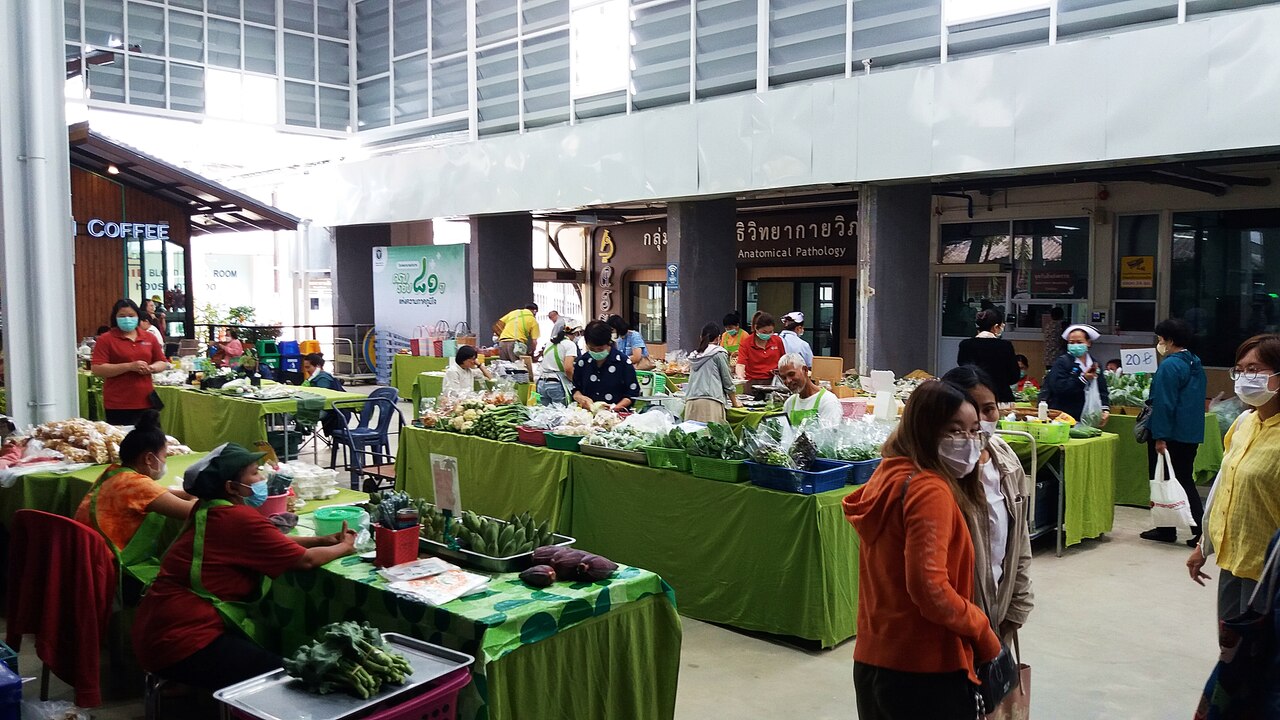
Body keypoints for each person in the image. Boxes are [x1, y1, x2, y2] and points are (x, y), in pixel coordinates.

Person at [132, 443, 357, 690]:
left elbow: (268, 540)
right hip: (184, 643)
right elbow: (306, 561)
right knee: (290, 678)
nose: (261, 479)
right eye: (254, 474)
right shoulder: (238, 519)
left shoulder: (208, 509)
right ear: (231, 487)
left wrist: (321, 540)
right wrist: (345, 547)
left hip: (154, 631)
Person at [844, 380, 1000, 718]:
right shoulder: (929, 488)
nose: (968, 442)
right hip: (925, 670)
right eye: (954, 431)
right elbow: (930, 588)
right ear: (925, 430)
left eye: (974, 431)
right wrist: (981, 628)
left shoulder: (888, 474)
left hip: (876, 659)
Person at [1188, 334, 1280, 621]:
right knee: (1230, 649)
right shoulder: (1243, 423)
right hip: (1233, 558)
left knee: (1262, 657)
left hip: (1270, 572)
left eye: (1254, 369)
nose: (1243, 377)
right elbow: (1223, 490)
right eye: (1239, 370)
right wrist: (1204, 545)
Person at [940, 366, 1034, 646]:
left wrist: (1018, 604)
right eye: (970, 410)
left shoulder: (1005, 460)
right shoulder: (940, 469)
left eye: (989, 409)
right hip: (951, 624)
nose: (981, 420)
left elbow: (1020, 540)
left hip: (997, 611)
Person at [74, 410, 195, 584]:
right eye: (164, 456)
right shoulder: (138, 485)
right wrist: (204, 491)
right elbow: (192, 511)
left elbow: (163, 494)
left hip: (88, 558)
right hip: (110, 567)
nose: (165, 462)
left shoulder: (115, 473)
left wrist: (192, 491)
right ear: (149, 459)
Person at [1140, 319, 1207, 545]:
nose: (1159, 343)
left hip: (1170, 434)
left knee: (1168, 479)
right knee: (1182, 478)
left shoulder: (1170, 365)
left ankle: (1195, 531)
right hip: (1189, 432)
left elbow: (1164, 403)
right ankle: (1168, 528)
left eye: (1160, 339)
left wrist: (1160, 436)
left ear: (1169, 340)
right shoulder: (1194, 362)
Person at [91, 299, 169, 426]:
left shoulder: (149, 337)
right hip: (118, 403)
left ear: (138, 316)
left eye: (131, 315)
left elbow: (162, 361)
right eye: (122, 316)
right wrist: (129, 367)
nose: (127, 319)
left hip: (147, 401)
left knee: (152, 441)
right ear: (115, 317)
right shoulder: (106, 339)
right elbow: (97, 368)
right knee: (123, 441)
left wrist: (151, 368)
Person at [1044, 323, 1110, 426]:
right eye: (1071, 342)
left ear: (1088, 343)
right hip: (1065, 416)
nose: (1075, 346)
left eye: (1079, 342)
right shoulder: (1062, 362)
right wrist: (1083, 379)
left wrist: (1105, 408)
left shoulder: (1094, 364)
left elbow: (1102, 389)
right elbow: (1059, 388)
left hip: (1089, 416)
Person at [571, 320, 639, 411]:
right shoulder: (583, 362)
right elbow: (575, 389)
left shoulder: (622, 362)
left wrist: (614, 408)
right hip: (586, 416)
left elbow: (632, 392)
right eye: (591, 348)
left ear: (608, 343)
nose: (596, 352)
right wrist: (580, 398)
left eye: (600, 349)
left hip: (616, 416)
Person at [956, 309, 1019, 404]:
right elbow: (1014, 376)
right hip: (1001, 396)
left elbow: (964, 371)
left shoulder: (965, 345)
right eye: (1001, 325)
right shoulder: (1005, 346)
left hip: (973, 396)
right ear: (995, 327)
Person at [684, 323, 741, 423]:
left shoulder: (695, 355)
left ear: (701, 337)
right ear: (718, 338)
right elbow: (727, 381)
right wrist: (735, 402)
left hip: (691, 402)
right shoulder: (718, 353)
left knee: (692, 435)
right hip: (710, 403)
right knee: (710, 436)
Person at [779, 353, 841, 426]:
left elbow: (829, 435)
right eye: (783, 378)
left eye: (791, 374)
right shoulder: (790, 403)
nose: (788, 381)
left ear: (805, 370)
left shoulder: (828, 401)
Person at [736, 312, 786, 399]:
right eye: (764, 332)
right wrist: (740, 377)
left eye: (770, 332)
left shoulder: (777, 341)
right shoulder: (746, 343)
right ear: (756, 328)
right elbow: (740, 363)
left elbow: (784, 361)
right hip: (752, 383)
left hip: (773, 382)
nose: (767, 335)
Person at [538, 324, 579, 406]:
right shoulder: (570, 345)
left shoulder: (550, 343)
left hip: (542, 383)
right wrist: (575, 382)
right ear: (575, 334)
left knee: (544, 414)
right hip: (557, 384)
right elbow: (568, 368)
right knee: (561, 415)